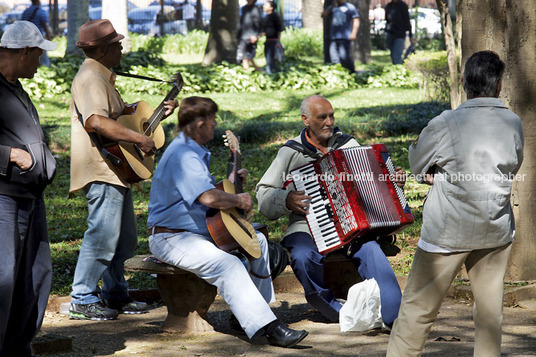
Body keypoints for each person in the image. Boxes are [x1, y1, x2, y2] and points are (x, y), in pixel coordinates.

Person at [386, 51, 524, 357]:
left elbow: (419, 168)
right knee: (490, 315)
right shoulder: (513, 122)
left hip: (447, 232)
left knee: (417, 311)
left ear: (463, 82)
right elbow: (512, 167)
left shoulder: (444, 123)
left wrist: (436, 174)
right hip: (495, 228)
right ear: (499, 85)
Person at [147, 96, 309, 348]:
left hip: (195, 233)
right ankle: (271, 327)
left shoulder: (191, 151)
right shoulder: (183, 155)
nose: (214, 126)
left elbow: (204, 192)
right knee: (229, 265)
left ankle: (248, 315)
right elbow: (209, 197)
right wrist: (238, 199)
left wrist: (232, 180)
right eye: (212, 122)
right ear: (199, 124)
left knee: (260, 242)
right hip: (171, 237)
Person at [256, 95, 404, 326]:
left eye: (331, 116)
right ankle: (335, 311)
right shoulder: (291, 152)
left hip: (354, 223)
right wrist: (286, 199)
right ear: (306, 120)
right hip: (307, 224)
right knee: (302, 256)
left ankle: (394, 315)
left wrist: (392, 181)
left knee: (372, 252)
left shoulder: (348, 145)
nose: (329, 122)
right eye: (321, 117)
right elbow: (263, 194)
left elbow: (374, 179)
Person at [68, 19, 178, 321]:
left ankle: (115, 295)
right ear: (102, 50)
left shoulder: (103, 76)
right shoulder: (91, 77)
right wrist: (140, 139)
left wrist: (156, 118)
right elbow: (96, 121)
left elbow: (121, 122)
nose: (121, 48)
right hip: (101, 170)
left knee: (124, 238)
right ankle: (81, 297)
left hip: (116, 169)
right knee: (103, 236)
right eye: (116, 44)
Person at [0, 20, 57, 357]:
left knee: (34, 274)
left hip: (30, 197)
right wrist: (9, 155)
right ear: (22, 52)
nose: (40, 62)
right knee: (4, 278)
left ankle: (18, 348)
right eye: (37, 55)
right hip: (4, 200)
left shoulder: (16, 85)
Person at [321, 0, 359, 73]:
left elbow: (356, 20)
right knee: (333, 57)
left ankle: (352, 71)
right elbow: (323, 15)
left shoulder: (350, 7)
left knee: (344, 56)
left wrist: (354, 33)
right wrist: (332, 7)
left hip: (345, 37)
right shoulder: (332, 7)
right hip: (334, 37)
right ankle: (338, 72)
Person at [21, 0, 52, 67]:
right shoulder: (41, 12)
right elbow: (45, 26)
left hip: (27, 38)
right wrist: (48, 37)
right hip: (38, 38)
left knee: (30, 55)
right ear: (38, 1)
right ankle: (44, 69)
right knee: (43, 58)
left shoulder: (26, 12)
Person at [384, 0, 414, 65]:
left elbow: (407, 21)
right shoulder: (388, 6)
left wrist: (410, 35)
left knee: (396, 56)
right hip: (390, 33)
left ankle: (400, 69)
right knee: (392, 56)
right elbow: (387, 20)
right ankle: (398, 69)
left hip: (400, 33)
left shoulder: (403, 6)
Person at [237, 0, 262, 71]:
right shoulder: (244, 8)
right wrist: (238, 36)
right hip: (243, 36)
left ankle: (247, 73)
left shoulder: (256, 9)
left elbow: (258, 23)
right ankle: (255, 70)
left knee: (246, 56)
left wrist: (255, 35)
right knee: (246, 57)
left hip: (251, 37)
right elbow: (241, 22)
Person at [261, 1, 284, 74]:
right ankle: (275, 71)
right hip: (268, 40)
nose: (263, 6)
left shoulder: (275, 16)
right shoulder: (266, 17)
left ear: (271, 7)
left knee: (271, 58)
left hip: (274, 41)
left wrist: (278, 41)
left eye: (266, 5)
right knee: (268, 58)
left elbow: (279, 29)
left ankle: (271, 72)